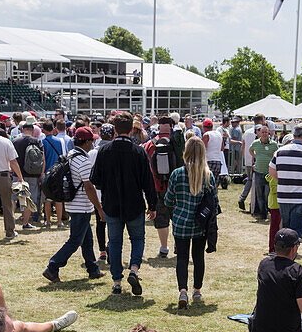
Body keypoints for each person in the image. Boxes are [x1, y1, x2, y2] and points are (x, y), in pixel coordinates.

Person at [90, 111, 156, 296]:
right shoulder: (139, 151)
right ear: (131, 129)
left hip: (111, 204)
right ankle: (134, 269)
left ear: (115, 130)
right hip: (134, 204)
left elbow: (96, 179)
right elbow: (148, 181)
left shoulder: (104, 151)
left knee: (115, 242)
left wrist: (108, 186)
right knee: (137, 239)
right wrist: (152, 205)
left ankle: (117, 281)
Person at [42, 127, 105, 282]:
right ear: (87, 142)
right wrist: (99, 208)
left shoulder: (71, 155)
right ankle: (53, 267)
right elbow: (89, 187)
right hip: (81, 205)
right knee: (75, 240)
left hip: (73, 204)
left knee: (87, 240)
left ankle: (93, 269)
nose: (93, 143)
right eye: (92, 140)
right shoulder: (84, 160)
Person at [163, 135, 218, 309]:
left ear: (186, 152)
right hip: (200, 224)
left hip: (180, 223)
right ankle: (197, 290)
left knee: (182, 258)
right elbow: (214, 204)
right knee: (198, 257)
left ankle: (182, 291)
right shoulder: (208, 176)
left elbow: (168, 200)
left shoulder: (177, 174)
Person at [144, 116, 184, 258]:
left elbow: (147, 166)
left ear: (158, 126)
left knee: (161, 218)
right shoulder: (178, 143)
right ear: (172, 126)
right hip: (176, 186)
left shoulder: (151, 143)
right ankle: (178, 245)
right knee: (177, 216)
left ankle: (163, 248)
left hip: (157, 186)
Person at [11, 118, 44, 230]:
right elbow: (42, 159)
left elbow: (11, 159)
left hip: (17, 174)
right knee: (29, 199)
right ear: (32, 130)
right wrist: (41, 173)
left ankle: (11, 224)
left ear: (22, 129)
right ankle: (25, 223)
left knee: (14, 198)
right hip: (33, 174)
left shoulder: (15, 141)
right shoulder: (37, 141)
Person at [250, 124, 278, 222]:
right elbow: (250, 150)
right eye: (263, 132)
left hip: (268, 173)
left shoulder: (274, 144)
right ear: (259, 133)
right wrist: (255, 157)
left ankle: (266, 211)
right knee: (259, 194)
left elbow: (276, 155)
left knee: (267, 194)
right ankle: (262, 213)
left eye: (266, 132)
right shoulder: (255, 143)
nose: (264, 134)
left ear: (269, 133)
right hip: (258, 171)